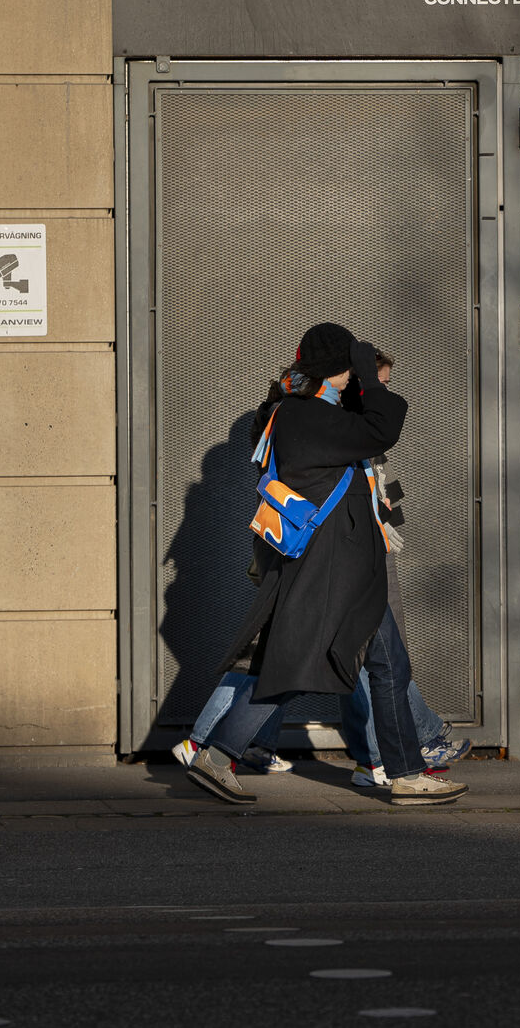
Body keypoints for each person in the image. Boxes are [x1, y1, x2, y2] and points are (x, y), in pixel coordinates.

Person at [184, 323, 466, 806]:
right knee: (296, 663)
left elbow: (367, 438)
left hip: (342, 565)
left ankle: (403, 772)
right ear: (337, 368)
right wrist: (369, 378)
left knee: (383, 663)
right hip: (334, 568)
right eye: (350, 363)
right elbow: (382, 427)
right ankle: (218, 754)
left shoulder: (306, 414)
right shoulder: (305, 415)